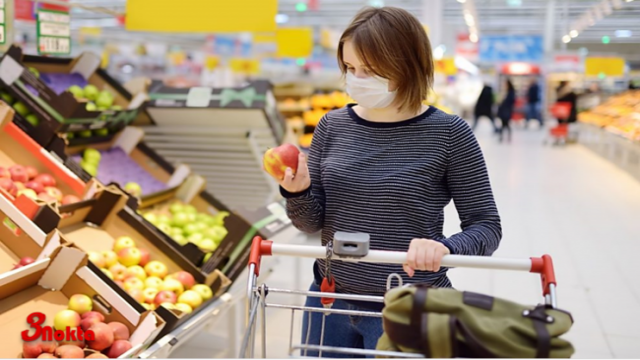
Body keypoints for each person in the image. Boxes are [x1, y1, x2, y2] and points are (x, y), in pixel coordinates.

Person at [264, 6, 502, 357]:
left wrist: (446, 248)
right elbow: (311, 223)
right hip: (329, 300)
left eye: (371, 70)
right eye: (350, 68)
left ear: (408, 65)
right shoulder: (332, 127)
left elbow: (487, 226)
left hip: (408, 304)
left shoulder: (449, 134)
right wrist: (296, 191)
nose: (357, 79)